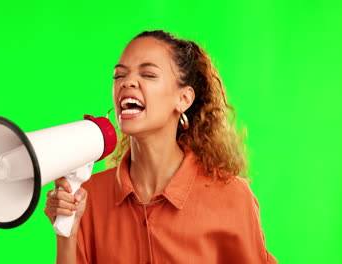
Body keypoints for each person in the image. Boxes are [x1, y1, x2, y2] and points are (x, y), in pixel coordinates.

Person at [44, 30, 277, 264]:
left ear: (183, 99)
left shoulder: (231, 196)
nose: (127, 82)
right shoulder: (88, 197)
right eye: (119, 76)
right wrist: (68, 234)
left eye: (148, 74)